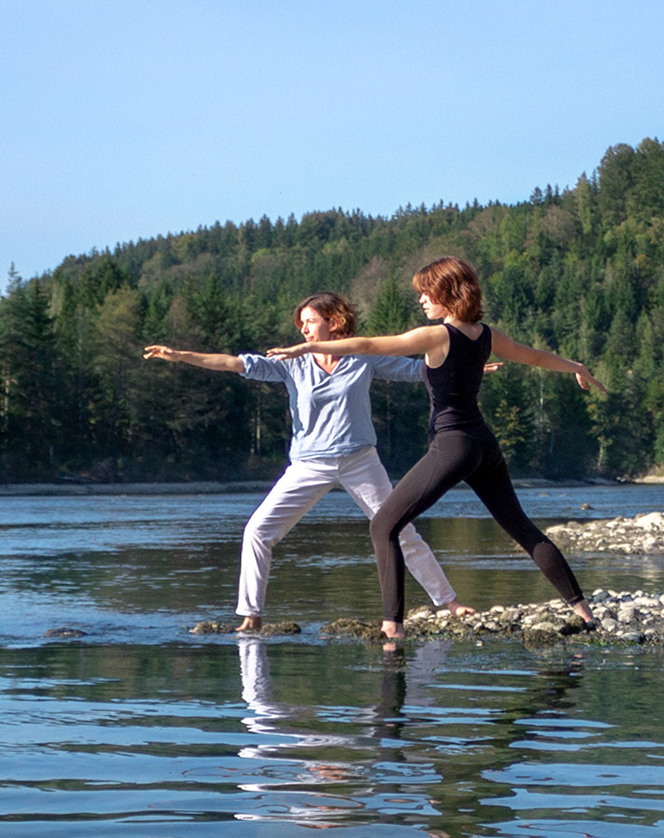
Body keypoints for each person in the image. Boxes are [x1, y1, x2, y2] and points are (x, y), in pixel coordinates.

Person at [268, 258, 601, 640]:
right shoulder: (487, 335)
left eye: (427, 293)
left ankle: (392, 627)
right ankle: (584, 612)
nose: (422, 299)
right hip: (482, 444)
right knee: (521, 527)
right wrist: (576, 365)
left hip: (452, 445)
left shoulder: (437, 336)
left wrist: (302, 349)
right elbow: (537, 357)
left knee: (383, 525)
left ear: (448, 294)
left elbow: (368, 344)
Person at [144, 292, 473, 633]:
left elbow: (421, 371)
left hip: (360, 461)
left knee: (400, 529)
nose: (304, 330)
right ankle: (251, 616)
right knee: (257, 531)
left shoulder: (363, 357)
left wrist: (468, 369)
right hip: (308, 465)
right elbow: (233, 363)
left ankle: (451, 603)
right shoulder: (291, 362)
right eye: (301, 324)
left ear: (335, 322)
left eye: (311, 322)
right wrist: (180, 356)